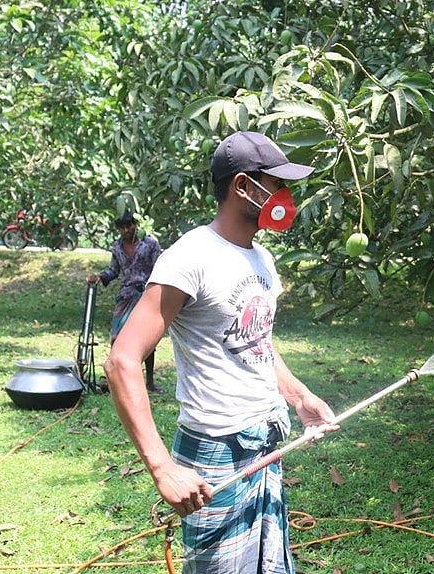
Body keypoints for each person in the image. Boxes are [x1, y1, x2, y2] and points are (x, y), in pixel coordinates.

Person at [104, 130, 337, 574]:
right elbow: (122, 360)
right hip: (216, 451)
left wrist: (299, 396)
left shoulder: (262, 259)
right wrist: (162, 468)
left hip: (265, 441)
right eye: (277, 183)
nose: (285, 196)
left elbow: (257, 341)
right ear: (243, 186)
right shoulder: (191, 256)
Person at [87, 211, 163, 392]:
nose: (127, 230)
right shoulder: (117, 247)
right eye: (122, 227)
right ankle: (117, 379)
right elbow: (114, 270)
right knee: (117, 337)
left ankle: (149, 381)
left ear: (135, 224)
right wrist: (99, 277)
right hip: (126, 295)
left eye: (129, 225)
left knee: (147, 340)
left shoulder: (150, 243)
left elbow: (159, 267)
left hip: (146, 294)